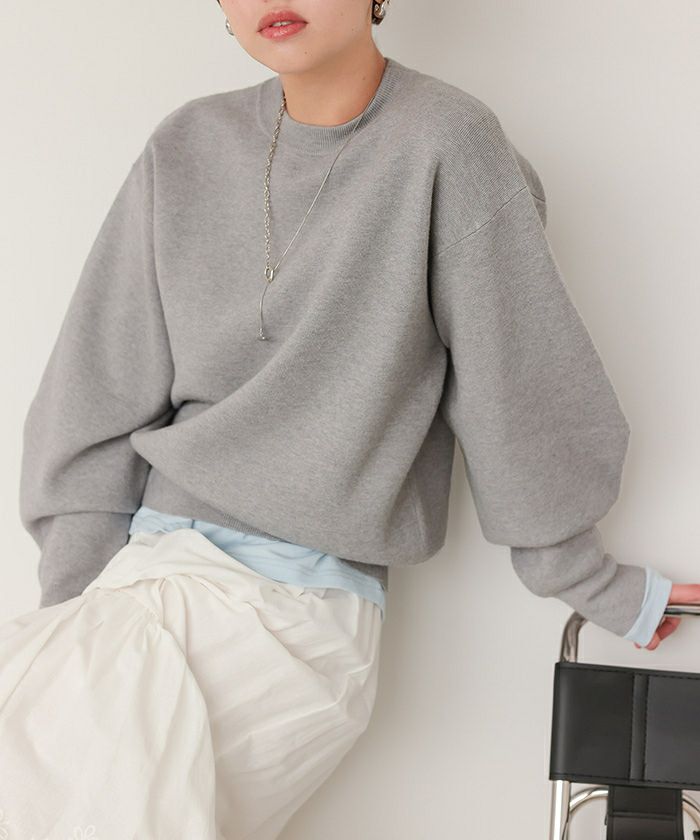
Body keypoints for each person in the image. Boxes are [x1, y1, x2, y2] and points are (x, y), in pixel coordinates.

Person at [1, 0, 694, 836]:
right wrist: (73, 621)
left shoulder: (448, 142)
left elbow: (518, 373)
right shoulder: (186, 145)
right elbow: (94, 387)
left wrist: (586, 577)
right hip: (138, 584)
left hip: (294, 612)